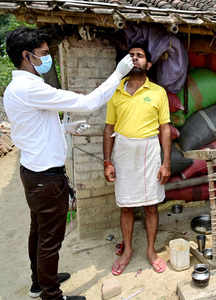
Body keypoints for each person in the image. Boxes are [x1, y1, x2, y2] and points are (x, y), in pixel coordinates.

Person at [3, 27, 134, 300]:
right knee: (50, 239)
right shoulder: (29, 88)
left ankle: (39, 282)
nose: (47, 57)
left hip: (33, 171)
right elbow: (89, 102)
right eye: (43, 54)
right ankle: (52, 295)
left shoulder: (18, 88)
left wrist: (66, 128)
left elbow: (32, 128)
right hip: (46, 178)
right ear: (27, 56)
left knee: (39, 232)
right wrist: (119, 72)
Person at [103, 43, 171, 276]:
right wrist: (107, 161)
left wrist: (166, 163)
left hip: (149, 152)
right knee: (126, 205)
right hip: (123, 152)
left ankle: (151, 251)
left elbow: (165, 129)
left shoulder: (157, 92)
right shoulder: (116, 91)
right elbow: (108, 128)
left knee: (151, 205)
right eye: (130, 55)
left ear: (148, 64)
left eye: (139, 56)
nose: (134, 59)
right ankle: (128, 250)